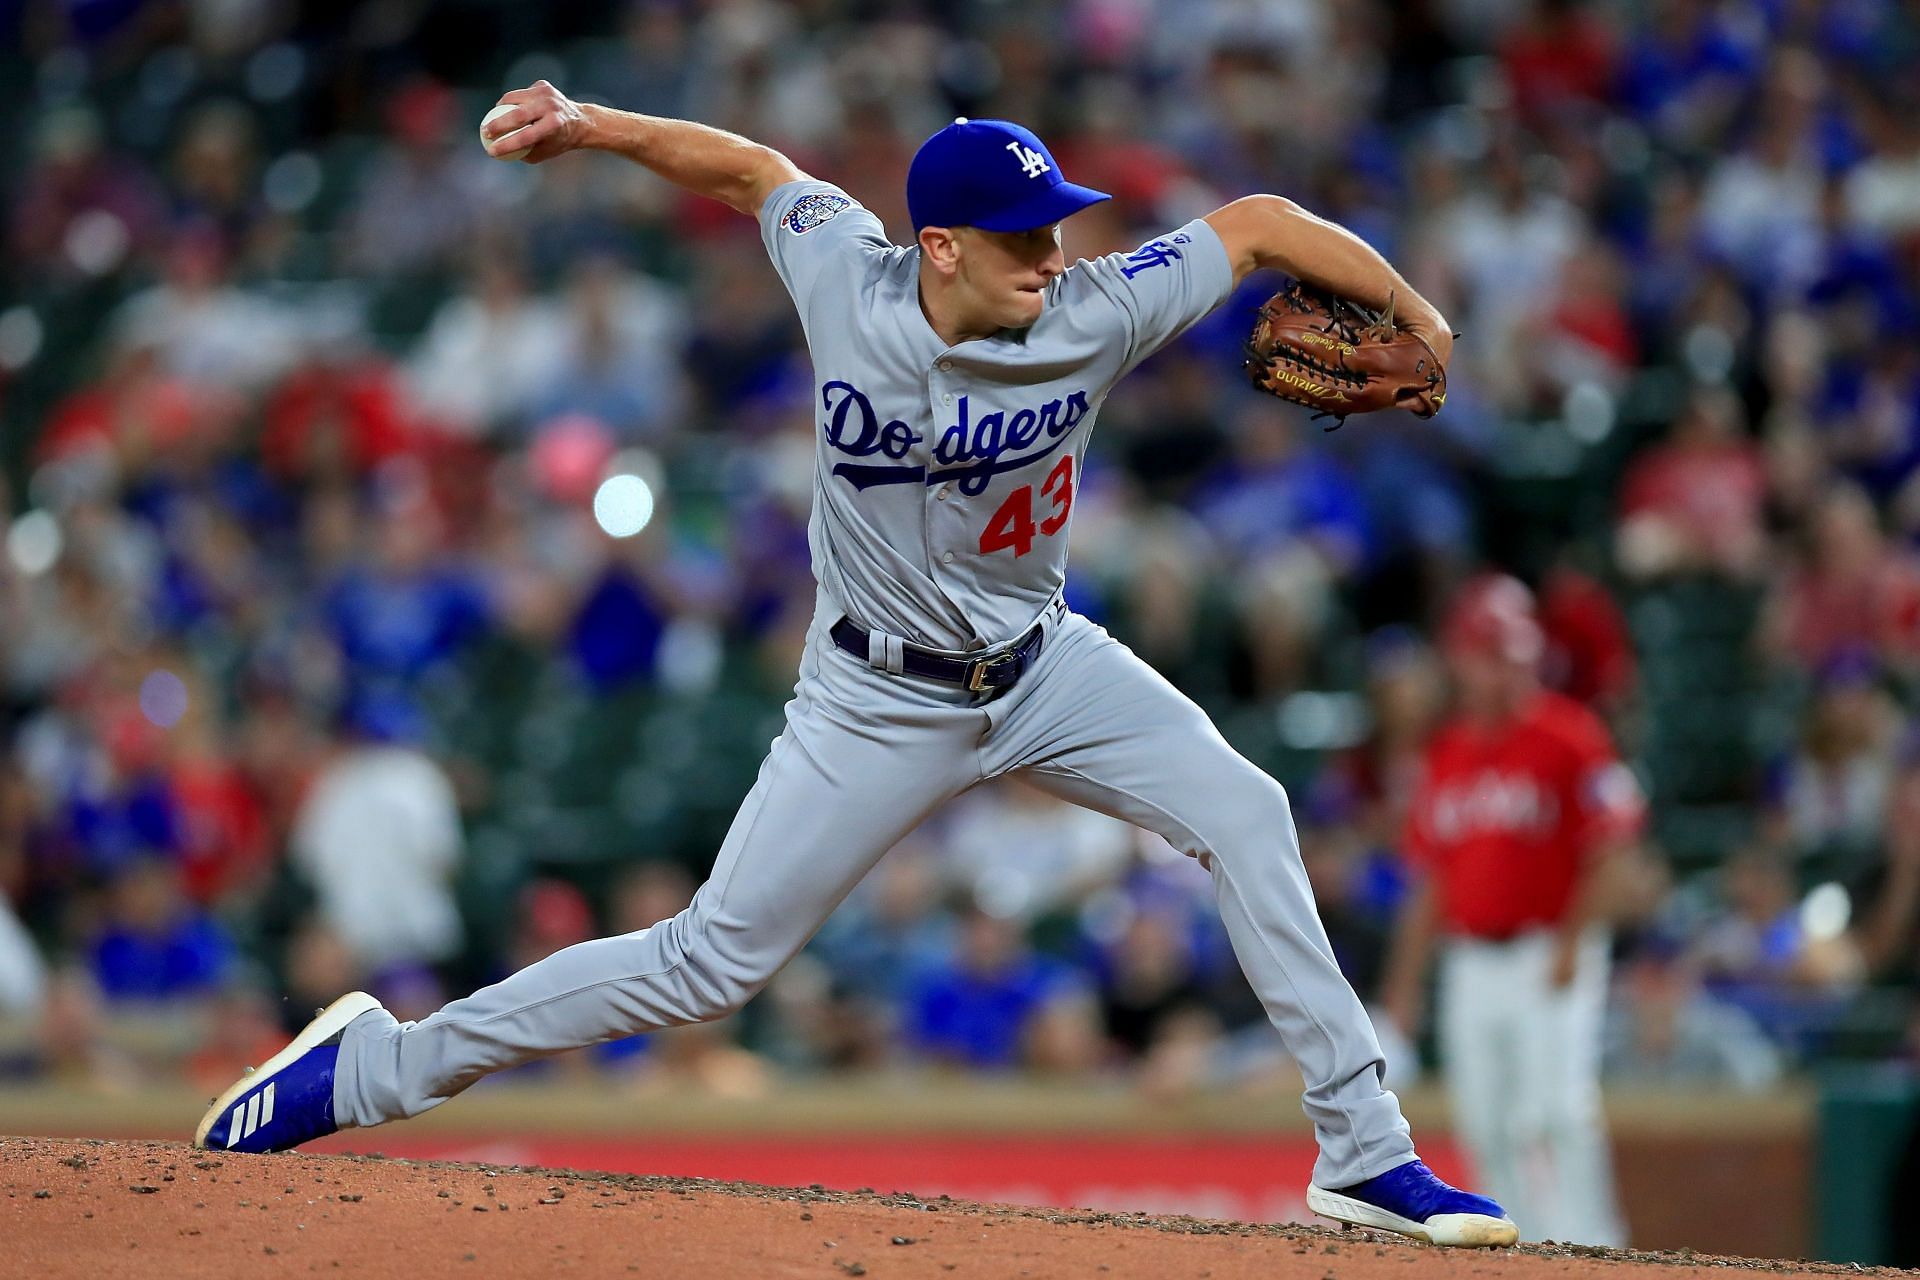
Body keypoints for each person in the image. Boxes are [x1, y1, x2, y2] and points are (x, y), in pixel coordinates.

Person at [195, 80, 1517, 1248]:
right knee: (708, 964)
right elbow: (753, 170)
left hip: (1045, 662)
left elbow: (1261, 222)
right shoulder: (846, 274)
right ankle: (380, 1067)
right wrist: (592, 127)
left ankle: (1366, 1153)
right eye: (1021, 235)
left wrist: (1414, 311)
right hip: (874, 695)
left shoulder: (1099, 306)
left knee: (1251, 811)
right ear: (936, 245)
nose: (1052, 254)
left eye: (1056, 224)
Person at [1383, 574, 1644, 1245]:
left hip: (1548, 947)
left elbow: (1613, 849)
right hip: (1472, 958)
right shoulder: (1448, 752)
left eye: (1512, 653)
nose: (1504, 669)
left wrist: (1572, 944)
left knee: (1556, 1114)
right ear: (1462, 660)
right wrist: (1405, 986)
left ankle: (1591, 1249)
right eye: (1488, 654)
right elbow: (1431, 881)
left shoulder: (1571, 735)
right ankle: (1516, 1251)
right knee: (1487, 1122)